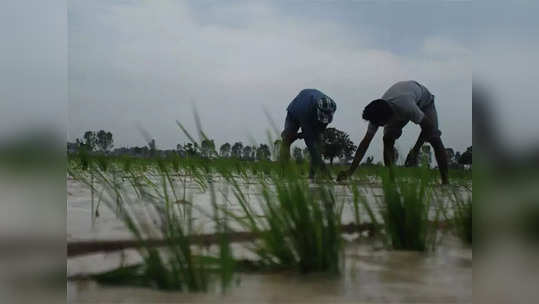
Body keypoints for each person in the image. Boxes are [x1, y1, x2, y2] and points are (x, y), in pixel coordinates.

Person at [337, 80, 449, 184]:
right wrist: (350, 172)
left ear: (388, 119)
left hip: (424, 103)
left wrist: (415, 151)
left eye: (381, 124)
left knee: (434, 138)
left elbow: (428, 127)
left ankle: (445, 181)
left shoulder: (407, 107)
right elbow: (365, 144)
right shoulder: (376, 113)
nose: (378, 127)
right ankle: (391, 180)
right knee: (387, 139)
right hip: (400, 103)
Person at [280, 89, 336, 178]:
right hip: (295, 113)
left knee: (318, 145)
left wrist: (314, 134)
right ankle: (283, 174)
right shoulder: (304, 110)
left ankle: (311, 176)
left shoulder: (333, 106)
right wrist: (326, 173)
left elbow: (321, 127)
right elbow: (309, 139)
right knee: (286, 140)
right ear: (318, 109)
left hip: (311, 112)